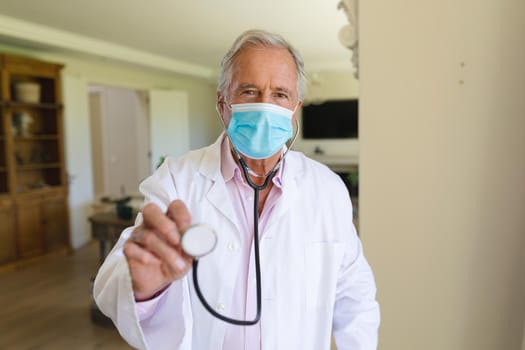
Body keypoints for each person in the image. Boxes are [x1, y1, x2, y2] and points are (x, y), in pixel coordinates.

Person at [94, 29, 380, 350]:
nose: (264, 106)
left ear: (294, 108)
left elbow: (355, 293)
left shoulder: (326, 188)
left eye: (280, 94)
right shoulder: (178, 178)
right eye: (249, 91)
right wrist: (145, 288)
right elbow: (114, 278)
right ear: (222, 103)